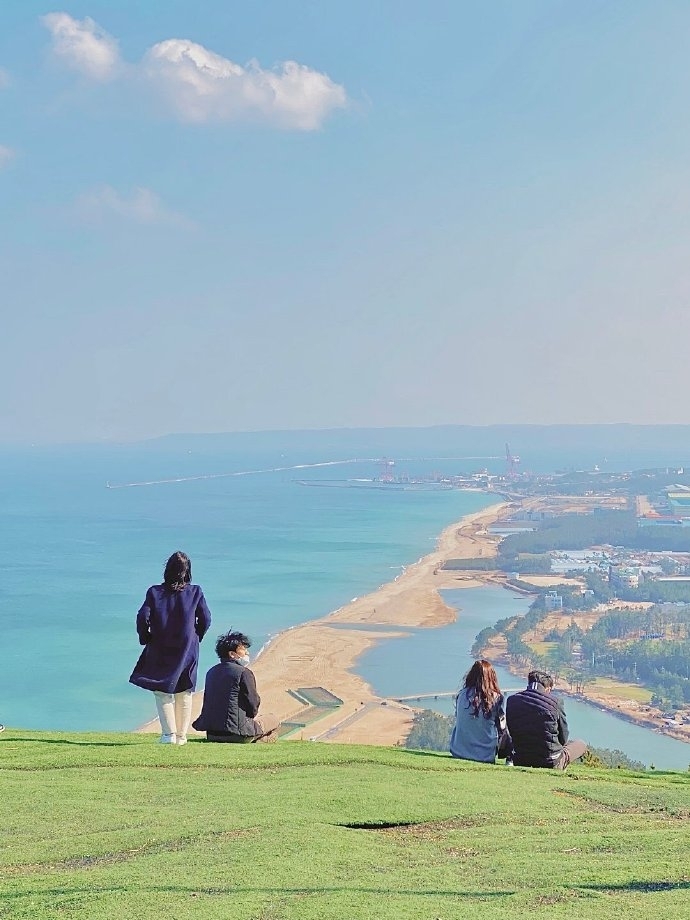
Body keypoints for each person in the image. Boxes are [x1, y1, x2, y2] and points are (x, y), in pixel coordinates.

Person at [129, 551, 212, 745]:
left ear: (167, 570)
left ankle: (168, 735)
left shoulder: (154, 592)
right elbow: (206, 618)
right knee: (185, 690)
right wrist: (196, 636)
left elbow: (142, 617)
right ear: (187, 571)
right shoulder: (195, 592)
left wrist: (146, 637)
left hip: (160, 645)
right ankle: (182, 737)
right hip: (187, 647)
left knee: (162, 690)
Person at [192, 630, 280, 743]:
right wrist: (248, 718)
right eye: (243, 649)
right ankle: (258, 740)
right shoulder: (243, 672)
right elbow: (253, 703)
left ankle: (257, 739)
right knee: (274, 720)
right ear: (232, 654)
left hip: (212, 734)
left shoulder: (211, 672)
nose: (247, 653)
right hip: (237, 733)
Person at [506, 670, 587, 770]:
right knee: (580, 744)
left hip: (521, 758)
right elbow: (563, 737)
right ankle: (560, 768)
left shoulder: (512, 700)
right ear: (548, 688)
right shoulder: (556, 702)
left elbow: (511, 730)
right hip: (550, 760)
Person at [450, 659, 512, 764]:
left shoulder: (461, 695)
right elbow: (502, 727)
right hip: (485, 754)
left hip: (458, 751)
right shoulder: (497, 698)